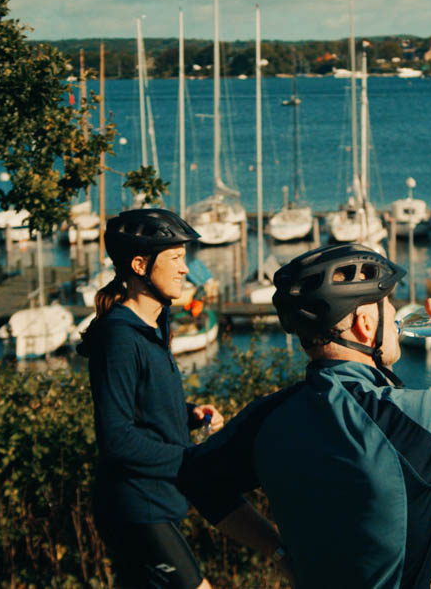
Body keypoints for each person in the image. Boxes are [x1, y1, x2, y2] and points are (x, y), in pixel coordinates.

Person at [178, 244, 431, 589]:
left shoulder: (268, 418)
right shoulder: (405, 420)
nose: (397, 315)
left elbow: (197, 478)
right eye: (389, 305)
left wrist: (279, 552)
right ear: (366, 324)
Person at [81, 208, 283, 589]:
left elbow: (142, 407)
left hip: (159, 502)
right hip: (136, 508)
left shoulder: (153, 326)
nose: (185, 268)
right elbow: (116, 438)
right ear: (140, 265)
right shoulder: (120, 338)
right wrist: (190, 459)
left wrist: (188, 414)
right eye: (174, 258)